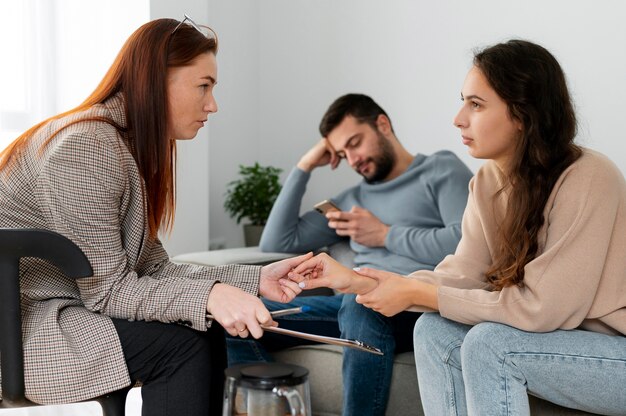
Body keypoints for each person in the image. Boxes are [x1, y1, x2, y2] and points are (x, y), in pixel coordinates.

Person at [291, 39, 626, 415]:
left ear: (521, 113)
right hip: (558, 342)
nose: (459, 118)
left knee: (489, 344)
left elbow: (544, 309)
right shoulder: (488, 181)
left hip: (616, 349)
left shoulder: (589, 177)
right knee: (433, 331)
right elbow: (462, 274)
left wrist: (422, 293)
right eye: (463, 101)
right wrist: (361, 283)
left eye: (476, 105)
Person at [0, 16, 313, 415]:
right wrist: (210, 296)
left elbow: (154, 269)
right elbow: (110, 292)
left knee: (202, 325)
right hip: (20, 332)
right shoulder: (86, 147)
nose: (212, 105)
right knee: (183, 345)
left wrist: (258, 279)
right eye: (204, 86)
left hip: (61, 312)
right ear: (155, 80)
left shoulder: (119, 143)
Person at [228, 93, 474, 416]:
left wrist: (385, 234)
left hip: (420, 305)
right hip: (353, 307)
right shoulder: (351, 199)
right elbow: (277, 239)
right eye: (343, 153)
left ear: (382, 125)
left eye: (355, 143)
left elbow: (467, 243)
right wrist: (305, 166)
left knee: (358, 299)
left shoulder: (440, 169)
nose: (352, 159)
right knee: (240, 316)